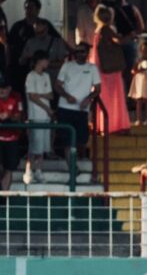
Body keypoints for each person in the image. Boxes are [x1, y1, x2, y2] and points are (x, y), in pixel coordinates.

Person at [89, 4, 131, 135]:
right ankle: (115, 126)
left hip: (100, 69)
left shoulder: (97, 30)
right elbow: (120, 41)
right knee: (114, 97)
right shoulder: (107, 29)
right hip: (111, 70)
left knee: (103, 97)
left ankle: (102, 125)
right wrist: (131, 35)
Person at [55, 43, 101, 160]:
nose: (80, 54)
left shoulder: (92, 68)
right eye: (77, 51)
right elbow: (57, 85)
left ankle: (79, 160)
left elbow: (98, 88)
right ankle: (71, 165)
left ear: (87, 53)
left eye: (82, 51)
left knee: (81, 139)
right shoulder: (67, 66)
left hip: (82, 109)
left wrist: (88, 98)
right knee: (66, 139)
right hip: (65, 108)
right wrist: (66, 96)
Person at [8, 0, 59, 93]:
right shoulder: (18, 26)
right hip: (21, 67)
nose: (28, 10)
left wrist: (71, 49)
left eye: (31, 7)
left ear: (38, 10)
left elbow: (58, 39)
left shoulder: (45, 24)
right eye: (27, 8)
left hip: (40, 66)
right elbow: (9, 44)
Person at [23, 51, 53, 185]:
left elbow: (51, 95)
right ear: (40, 61)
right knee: (34, 145)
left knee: (43, 146)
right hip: (35, 115)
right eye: (46, 60)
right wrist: (46, 106)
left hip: (46, 117)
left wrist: (39, 96)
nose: (48, 63)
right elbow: (32, 96)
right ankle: (29, 170)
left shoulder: (46, 76)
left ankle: (39, 170)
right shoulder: (31, 76)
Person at [109, 0, 145, 75]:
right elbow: (141, 27)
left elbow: (141, 27)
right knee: (128, 70)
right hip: (124, 41)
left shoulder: (111, 9)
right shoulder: (132, 8)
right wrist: (132, 34)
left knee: (124, 71)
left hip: (120, 41)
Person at [128, 41, 147, 127]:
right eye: (144, 51)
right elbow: (133, 71)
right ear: (141, 51)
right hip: (139, 80)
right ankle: (139, 119)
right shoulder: (138, 60)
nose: (146, 53)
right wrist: (139, 70)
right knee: (139, 100)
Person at [0, 76, 22, 191]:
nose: (1, 90)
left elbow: (19, 116)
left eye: (4, 88)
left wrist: (8, 116)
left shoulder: (16, 98)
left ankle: (4, 197)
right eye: (0, 88)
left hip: (12, 138)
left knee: (9, 168)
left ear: (9, 89)